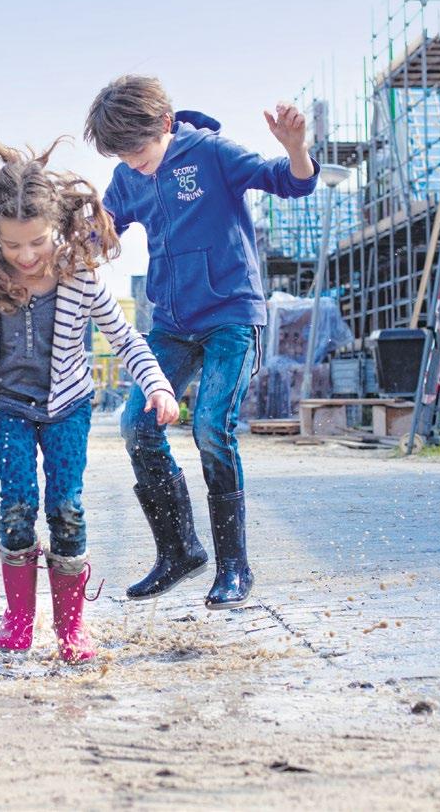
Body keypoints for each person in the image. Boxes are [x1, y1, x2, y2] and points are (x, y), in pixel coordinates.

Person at [0, 136, 178, 664]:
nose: (24, 256)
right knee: (18, 502)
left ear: (56, 229)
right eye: (11, 244)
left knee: (66, 506)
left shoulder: (79, 276)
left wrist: (156, 383)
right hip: (6, 409)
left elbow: (126, 337)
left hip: (67, 407)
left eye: (36, 242)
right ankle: (19, 616)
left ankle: (71, 629)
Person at [85, 75, 320, 609]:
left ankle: (235, 567)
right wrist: (73, 233)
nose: (133, 162)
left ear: (165, 125)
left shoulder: (211, 153)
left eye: (139, 149)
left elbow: (290, 181)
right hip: (171, 323)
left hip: (231, 316)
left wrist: (296, 148)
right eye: (121, 154)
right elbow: (100, 233)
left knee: (211, 425)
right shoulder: (127, 178)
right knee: (135, 424)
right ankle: (179, 551)